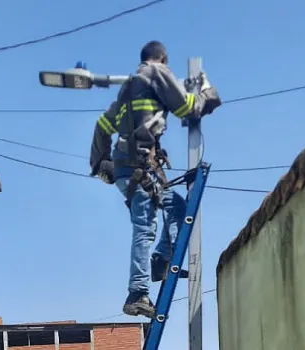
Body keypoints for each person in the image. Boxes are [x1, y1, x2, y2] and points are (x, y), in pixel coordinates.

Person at [89, 40, 222, 318]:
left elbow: (102, 125)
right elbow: (188, 108)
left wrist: (100, 163)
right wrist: (207, 93)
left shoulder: (129, 86)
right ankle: (137, 292)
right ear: (163, 59)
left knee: (176, 207)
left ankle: (161, 260)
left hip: (128, 169)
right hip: (139, 167)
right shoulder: (157, 73)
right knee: (144, 227)